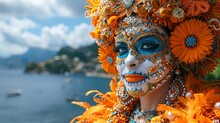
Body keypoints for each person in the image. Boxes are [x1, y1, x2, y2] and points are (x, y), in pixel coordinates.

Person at [72, 0, 220, 122]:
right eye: (122, 49)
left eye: (147, 46)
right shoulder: (102, 117)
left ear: (177, 52)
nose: (130, 60)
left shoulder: (208, 117)